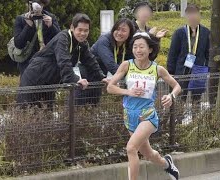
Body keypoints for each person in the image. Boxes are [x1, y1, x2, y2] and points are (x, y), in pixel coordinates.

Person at [107, 32, 181, 180]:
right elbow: (110, 87)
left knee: (131, 148)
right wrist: (129, 91)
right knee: (149, 155)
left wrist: (171, 96)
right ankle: (167, 164)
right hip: (130, 115)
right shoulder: (127, 65)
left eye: (141, 46)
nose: (138, 50)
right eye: (135, 47)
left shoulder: (157, 69)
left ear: (150, 49)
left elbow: (177, 86)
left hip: (147, 115)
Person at [17, 13, 107, 107]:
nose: (83, 33)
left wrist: (102, 77)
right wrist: (75, 79)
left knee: (47, 114)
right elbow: (63, 60)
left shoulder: (82, 43)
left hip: (50, 83)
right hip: (34, 78)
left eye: (86, 30)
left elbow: (90, 61)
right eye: (80, 30)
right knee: (26, 111)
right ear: (72, 27)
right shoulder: (63, 38)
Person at [74, 18, 135, 105]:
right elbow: (110, 64)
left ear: (130, 33)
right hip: (88, 72)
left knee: (95, 101)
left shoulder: (127, 44)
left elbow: (133, 62)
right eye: (117, 29)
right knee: (80, 99)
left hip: (101, 74)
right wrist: (131, 77)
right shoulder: (104, 40)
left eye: (124, 30)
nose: (119, 33)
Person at [167, 4, 210, 120]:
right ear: (186, 16)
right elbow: (173, 53)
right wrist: (170, 71)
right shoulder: (179, 32)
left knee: (197, 97)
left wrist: (208, 69)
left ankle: (196, 122)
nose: (192, 17)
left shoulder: (205, 32)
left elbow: (208, 53)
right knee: (180, 96)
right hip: (182, 70)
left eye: (195, 13)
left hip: (198, 70)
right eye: (190, 14)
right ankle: (178, 122)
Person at [14, 0, 60, 75]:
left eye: (39, 4)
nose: (37, 7)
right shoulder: (21, 19)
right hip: (27, 62)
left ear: (43, 4)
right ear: (29, 5)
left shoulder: (50, 18)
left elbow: (60, 39)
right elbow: (18, 44)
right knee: (28, 86)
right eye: (34, 4)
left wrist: (51, 26)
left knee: (47, 85)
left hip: (47, 61)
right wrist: (28, 26)